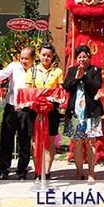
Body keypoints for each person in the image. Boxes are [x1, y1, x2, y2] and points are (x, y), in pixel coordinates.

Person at [0, 46, 36, 180]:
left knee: (24, 141)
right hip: (11, 107)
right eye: (22, 58)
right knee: (6, 139)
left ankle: (21, 171)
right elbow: (3, 73)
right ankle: (3, 170)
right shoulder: (14, 66)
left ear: (33, 59)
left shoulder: (35, 71)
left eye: (26, 58)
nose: (23, 61)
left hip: (26, 109)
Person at [64, 45, 104, 183]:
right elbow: (66, 87)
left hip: (90, 111)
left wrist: (84, 77)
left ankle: (91, 173)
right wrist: (76, 77)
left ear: (89, 57)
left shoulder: (95, 70)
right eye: (79, 57)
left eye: (84, 56)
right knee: (76, 142)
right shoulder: (72, 70)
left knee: (91, 141)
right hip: (75, 112)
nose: (82, 59)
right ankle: (79, 172)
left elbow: (96, 87)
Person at [25, 43, 64, 179]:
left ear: (52, 57)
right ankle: (37, 171)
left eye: (49, 55)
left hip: (51, 109)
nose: (46, 58)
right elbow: (28, 91)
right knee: (35, 141)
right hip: (35, 110)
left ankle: (46, 171)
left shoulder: (57, 72)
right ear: (39, 55)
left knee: (50, 140)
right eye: (43, 55)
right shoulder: (32, 72)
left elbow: (60, 92)